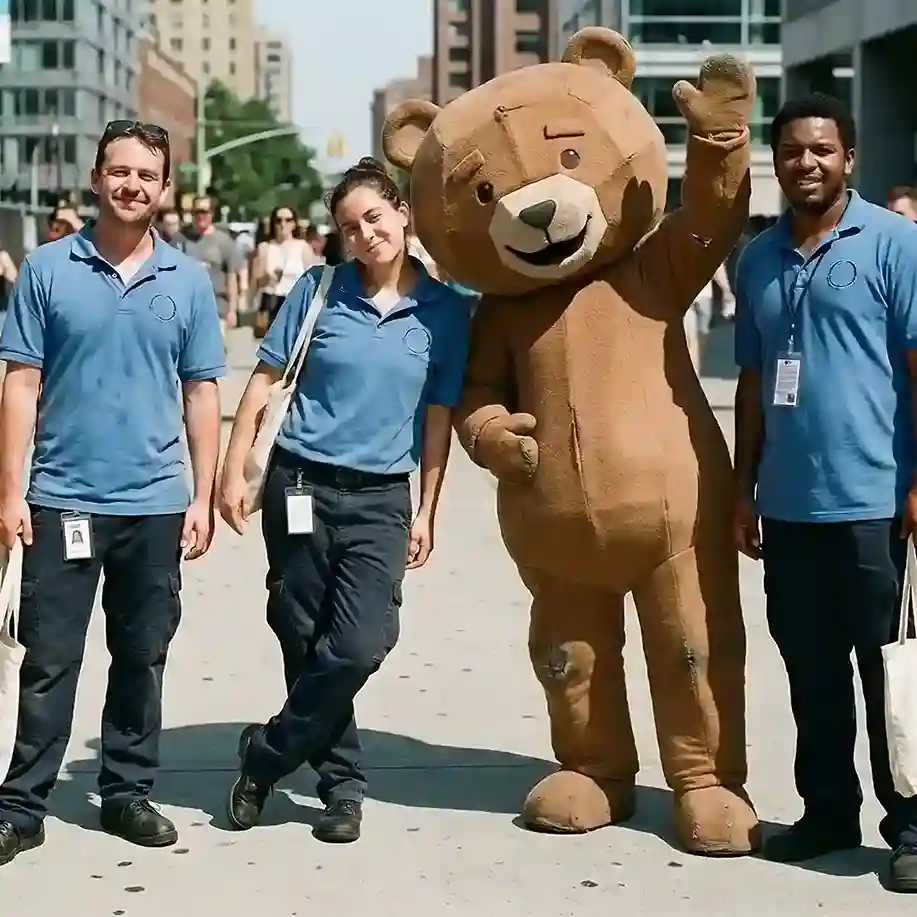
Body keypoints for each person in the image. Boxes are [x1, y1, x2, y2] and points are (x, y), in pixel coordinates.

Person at [217, 157, 471, 843]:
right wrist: (233, 468)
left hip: (381, 497)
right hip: (299, 483)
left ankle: (266, 754)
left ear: (402, 214)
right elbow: (265, 379)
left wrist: (428, 508)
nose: (364, 235)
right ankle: (342, 787)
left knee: (359, 643)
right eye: (350, 227)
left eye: (374, 218)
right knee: (300, 632)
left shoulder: (445, 312)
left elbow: (439, 418)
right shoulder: (318, 289)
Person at [0, 120, 226, 866]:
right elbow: (21, 383)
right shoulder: (47, 269)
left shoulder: (187, 281)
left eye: (146, 175)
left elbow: (201, 392)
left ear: (165, 188)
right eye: (120, 172)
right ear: (97, 178)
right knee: (49, 660)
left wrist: (201, 497)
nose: (132, 185)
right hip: (62, 497)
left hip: (154, 504)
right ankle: (21, 806)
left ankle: (127, 792)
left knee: (141, 654)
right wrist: (9, 493)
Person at [732, 92, 917, 893]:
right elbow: (750, 382)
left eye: (820, 149)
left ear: (848, 158)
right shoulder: (756, 258)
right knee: (810, 672)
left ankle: (909, 825)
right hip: (788, 506)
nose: (804, 162)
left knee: (892, 675)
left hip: (876, 505)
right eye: (790, 150)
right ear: (774, 160)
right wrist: (742, 488)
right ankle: (827, 811)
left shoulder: (895, 243)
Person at [182, 195, 245, 337]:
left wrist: (232, 310)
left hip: (217, 309)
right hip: (187, 310)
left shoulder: (224, 241)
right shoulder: (182, 239)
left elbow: (232, 278)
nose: (200, 216)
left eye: (205, 212)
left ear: (212, 213)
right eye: (197, 212)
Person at [251, 205, 319, 334]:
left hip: (296, 304)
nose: (283, 224)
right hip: (271, 304)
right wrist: (269, 277)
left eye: (288, 220)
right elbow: (256, 282)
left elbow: (313, 281)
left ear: (294, 223)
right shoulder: (265, 247)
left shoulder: (303, 247)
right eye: (278, 220)